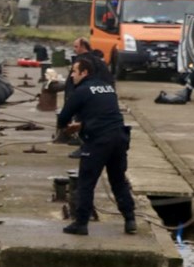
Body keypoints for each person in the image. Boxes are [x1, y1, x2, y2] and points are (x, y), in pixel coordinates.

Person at [55, 55, 137, 235]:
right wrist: (83, 124)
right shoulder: (107, 88)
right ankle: (130, 220)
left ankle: (81, 223)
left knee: (86, 182)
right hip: (119, 138)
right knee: (118, 181)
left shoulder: (82, 91)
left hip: (98, 141)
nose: (71, 76)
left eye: (74, 72)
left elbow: (62, 119)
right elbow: (103, 114)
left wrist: (67, 126)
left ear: (84, 72)